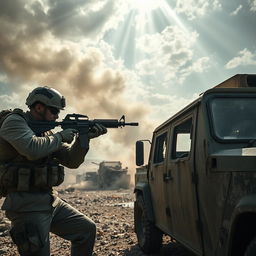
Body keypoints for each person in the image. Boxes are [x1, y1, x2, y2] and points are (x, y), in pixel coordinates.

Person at [0, 86, 107, 256]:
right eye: (54, 111)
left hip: (49, 201)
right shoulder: (14, 122)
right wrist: (59, 137)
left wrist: (83, 140)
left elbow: (71, 161)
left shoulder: (46, 131)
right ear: (39, 107)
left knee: (86, 230)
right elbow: (31, 149)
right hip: (26, 205)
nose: (57, 116)